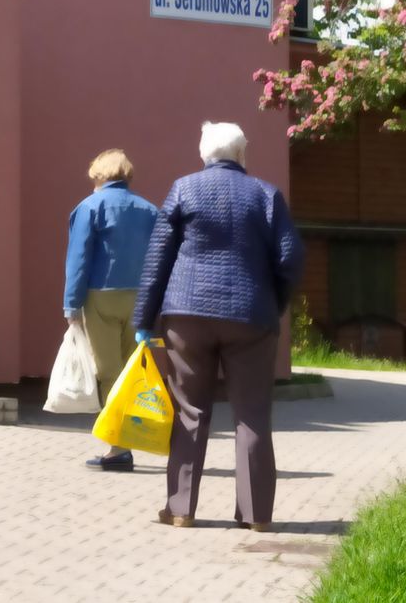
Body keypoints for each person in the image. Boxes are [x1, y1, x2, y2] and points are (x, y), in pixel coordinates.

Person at [133, 122, 303, 529]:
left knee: (189, 412)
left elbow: (158, 258)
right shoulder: (267, 194)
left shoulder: (183, 189)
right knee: (252, 416)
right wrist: (273, 303)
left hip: (186, 316)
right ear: (243, 154)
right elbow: (290, 258)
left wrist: (143, 321)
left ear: (203, 153)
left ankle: (180, 510)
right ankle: (256, 516)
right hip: (252, 317)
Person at [62, 149, 158, 472]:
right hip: (140, 296)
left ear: (100, 177)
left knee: (108, 372)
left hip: (100, 296)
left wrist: (71, 304)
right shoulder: (149, 210)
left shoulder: (88, 208)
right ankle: (129, 439)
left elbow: (78, 260)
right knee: (132, 370)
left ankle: (118, 448)